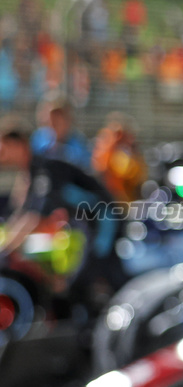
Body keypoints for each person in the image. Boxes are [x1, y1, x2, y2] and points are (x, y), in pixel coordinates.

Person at [0, 114, 126, 313]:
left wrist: (4, 250)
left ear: (18, 145)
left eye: (4, 149)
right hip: (86, 228)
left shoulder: (46, 168)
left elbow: (33, 218)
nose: (2, 156)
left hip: (104, 222)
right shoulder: (31, 174)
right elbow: (21, 216)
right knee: (73, 284)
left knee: (97, 279)